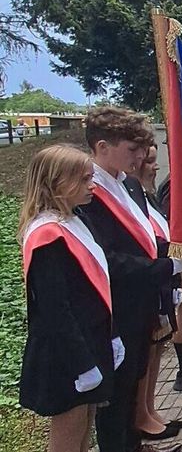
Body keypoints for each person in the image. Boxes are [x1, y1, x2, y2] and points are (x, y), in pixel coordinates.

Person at [78, 106, 182, 452]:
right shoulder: (87, 193)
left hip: (142, 300)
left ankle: (134, 443)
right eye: (132, 149)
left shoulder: (127, 183)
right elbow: (105, 258)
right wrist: (166, 267)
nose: (140, 157)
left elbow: (145, 236)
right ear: (102, 147)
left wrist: (177, 250)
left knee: (134, 378)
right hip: (116, 306)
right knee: (117, 394)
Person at [18, 145, 117, 452]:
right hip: (66, 352)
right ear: (56, 183)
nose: (92, 185)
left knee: (85, 427)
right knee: (69, 433)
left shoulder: (74, 219)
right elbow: (55, 309)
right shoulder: (47, 236)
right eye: (83, 179)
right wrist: (81, 362)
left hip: (88, 339)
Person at [131, 145, 182, 442]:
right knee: (146, 353)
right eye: (149, 161)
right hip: (149, 283)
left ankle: (149, 409)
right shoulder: (130, 197)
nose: (155, 166)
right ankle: (141, 415)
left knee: (156, 350)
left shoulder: (146, 195)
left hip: (162, 282)